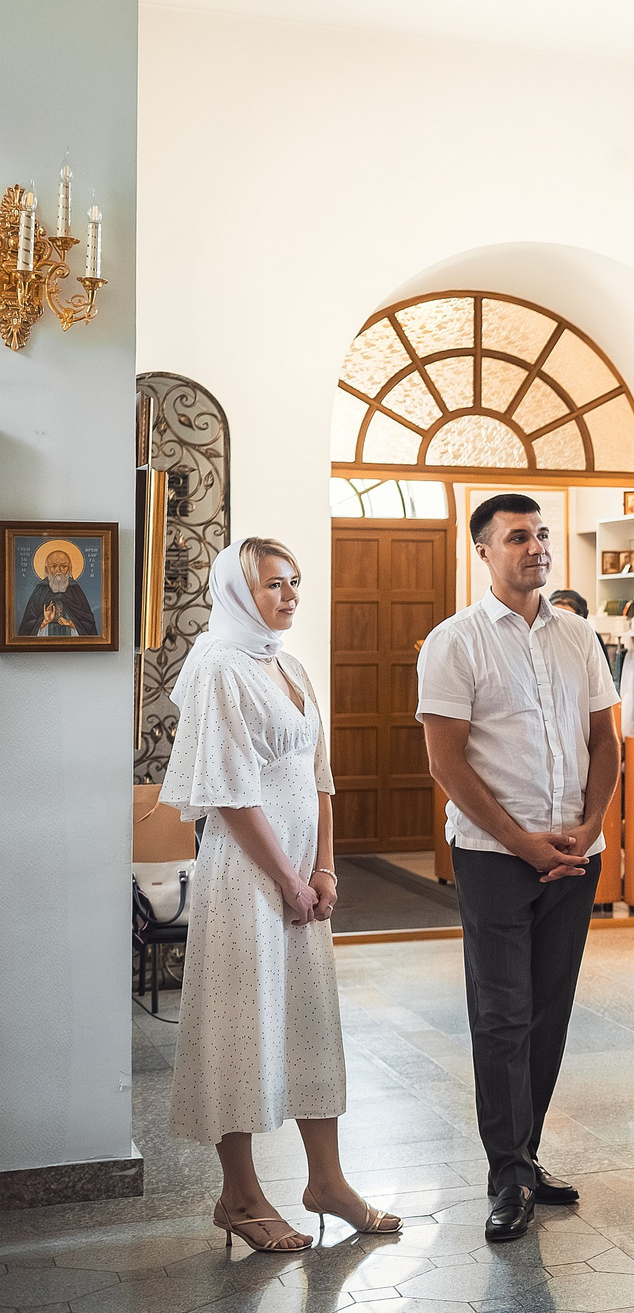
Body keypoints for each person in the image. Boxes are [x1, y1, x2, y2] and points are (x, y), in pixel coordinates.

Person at [165, 537, 399, 1253]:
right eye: (273, 583)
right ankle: (238, 1194)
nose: (289, 594)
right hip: (246, 878)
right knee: (239, 1027)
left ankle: (326, 1180)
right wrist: (289, 879)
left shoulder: (289, 664)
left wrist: (325, 870)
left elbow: (319, 775)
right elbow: (231, 796)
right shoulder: (217, 668)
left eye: (295, 581)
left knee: (309, 1023)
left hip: (302, 878)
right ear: (239, 590)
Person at [417, 493, 622, 1243]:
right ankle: (505, 1174)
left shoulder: (578, 635)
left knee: (548, 1010)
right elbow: (446, 760)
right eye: (517, 537)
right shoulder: (455, 641)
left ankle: (527, 1156)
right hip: (495, 858)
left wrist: (589, 826)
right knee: (500, 1014)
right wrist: (521, 840)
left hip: (575, 854)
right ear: (484, 551)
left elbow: (607, 743)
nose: (536, 547)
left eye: (541, 534)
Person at [18, 538, 99, 637]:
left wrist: (70, 623)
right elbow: (27, 627)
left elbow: (88, 626)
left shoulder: (75, 591)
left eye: (64, 566)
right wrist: (44, 622)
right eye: (53, 566)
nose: (59, 570)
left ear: (69, 569)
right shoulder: (40, 591)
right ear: (47, 569)